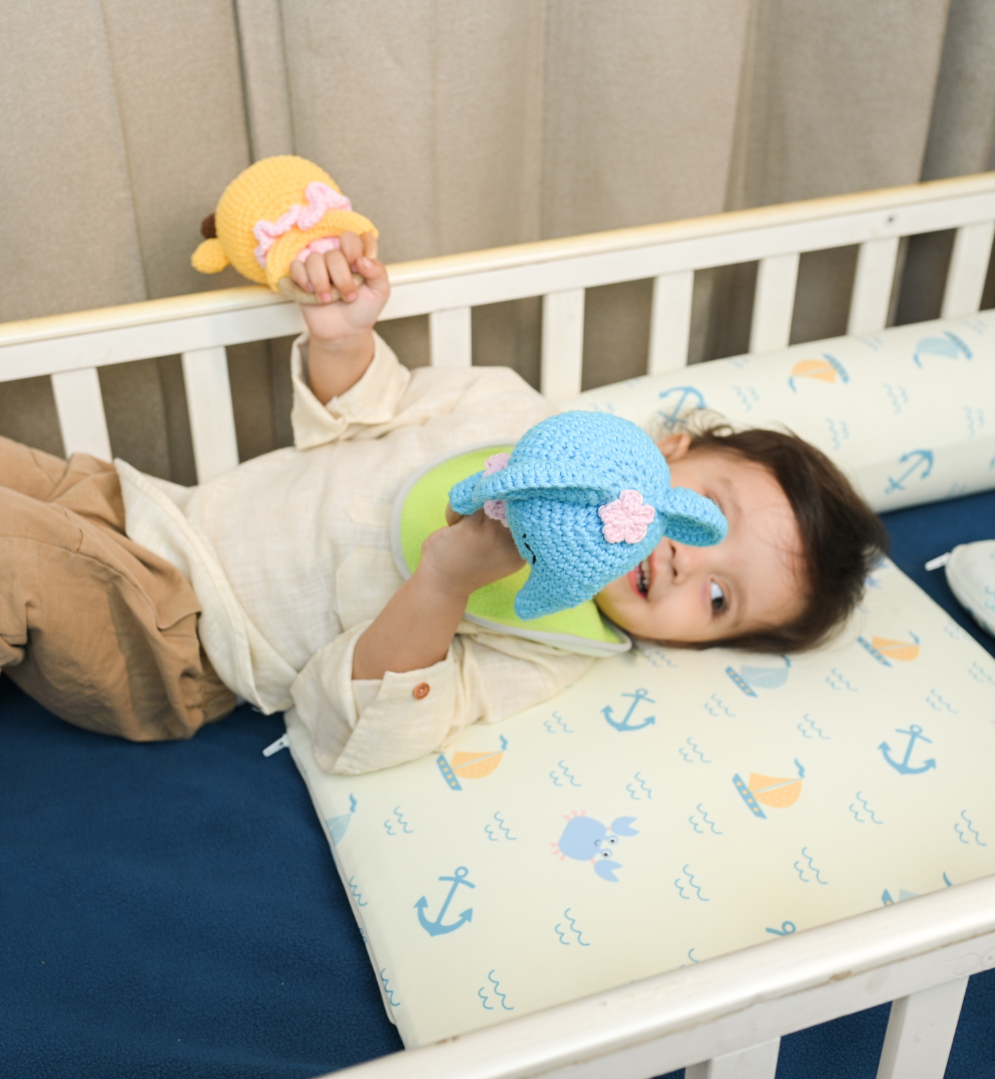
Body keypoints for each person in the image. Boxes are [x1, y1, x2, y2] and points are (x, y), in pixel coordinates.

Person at [0, 232, 886, 773]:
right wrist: (344, 338)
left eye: (720, 602)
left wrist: (445, 583)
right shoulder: (507, 406)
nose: (688, 561)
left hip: (174, 634)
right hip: (138, 504)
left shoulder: (548, 640)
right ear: (671, 451)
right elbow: (364, 410)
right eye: (710, 519)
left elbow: (361, 730)